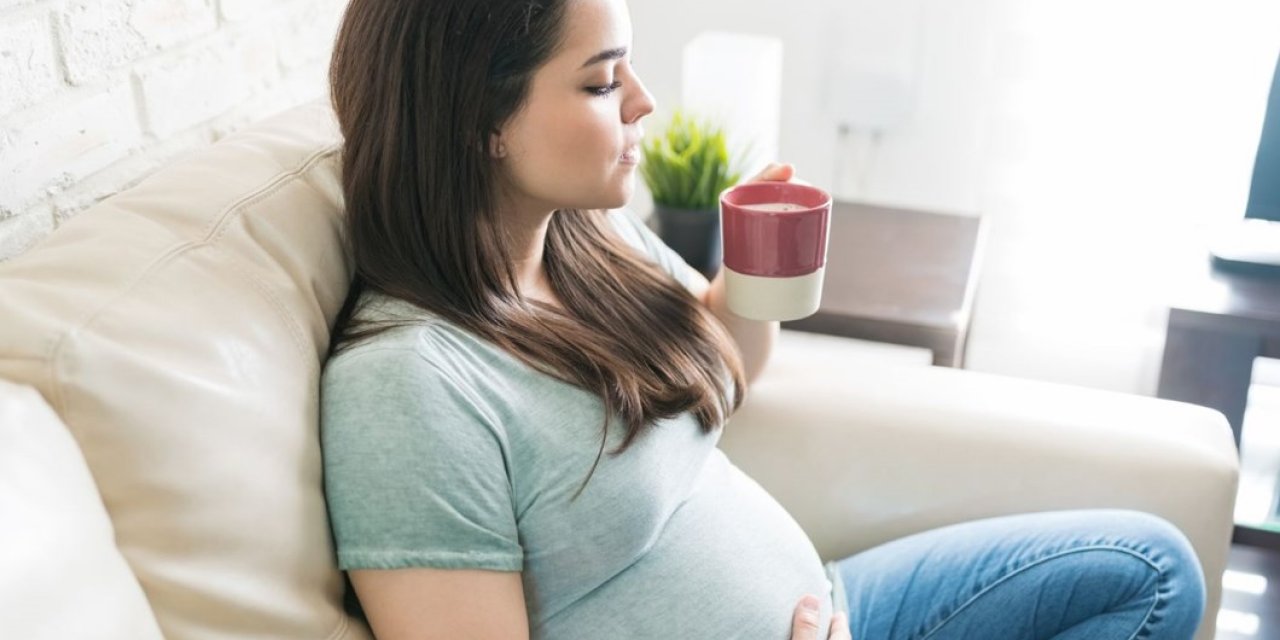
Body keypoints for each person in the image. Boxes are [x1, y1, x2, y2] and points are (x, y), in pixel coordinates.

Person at [318, 0, 1208, 638]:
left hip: (831, 603)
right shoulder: (409, 385)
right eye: (600, 82)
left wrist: (753, 267)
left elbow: (724, 366)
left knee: (1150, 570)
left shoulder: (584, 244)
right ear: (482, 122)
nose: (642, 102)